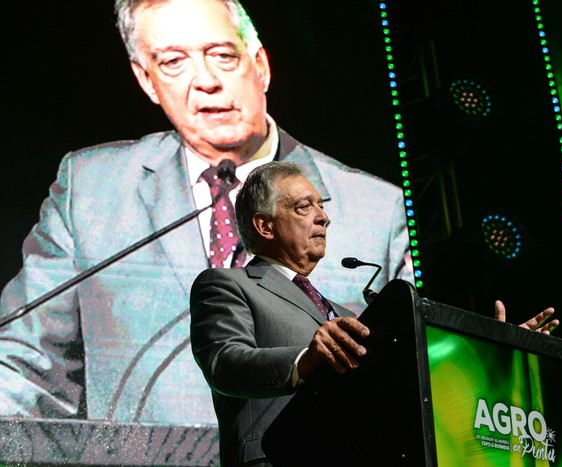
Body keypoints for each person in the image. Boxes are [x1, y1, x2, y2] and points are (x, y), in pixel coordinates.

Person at [0, 0, 410, 430]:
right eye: (174, 61)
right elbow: (25, 363)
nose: (206, 82)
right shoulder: (91, 188)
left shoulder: (376, 210)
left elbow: (414, 363)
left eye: (221, 55)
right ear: (147, 80)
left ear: (260, 65)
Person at [189, 161, 559, 466]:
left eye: (322, 206)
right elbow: (225, 362)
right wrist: (306, 360)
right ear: (264, 224)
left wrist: (493, 352)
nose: (323, 218)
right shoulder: (226, 284)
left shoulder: (342, 312)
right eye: (305, 207)